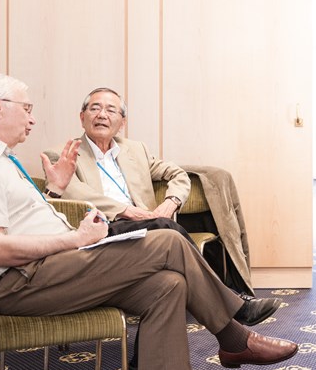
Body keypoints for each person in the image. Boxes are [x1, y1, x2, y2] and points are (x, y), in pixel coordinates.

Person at [0, 73, 299, 370]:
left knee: (167, 285)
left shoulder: (0, 160)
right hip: (20, 283)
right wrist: (76, 239)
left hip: (52, 271)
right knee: (168, 242)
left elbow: (22, 223)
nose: (31, 119)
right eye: (26, 109)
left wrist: (54, 191)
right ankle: (234, 337)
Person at [47, 87, 279, 326]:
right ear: (82, 116)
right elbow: (72, 190)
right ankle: (234, 303)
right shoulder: (61, 154)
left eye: (110, 110)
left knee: (170, 277)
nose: (102, 115)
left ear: (122, 121)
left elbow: (178, 174)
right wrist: (124, 210)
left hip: (145, 229)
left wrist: (172, 201)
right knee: (167, 229)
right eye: (94, 108)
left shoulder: (135, 150)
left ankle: (154, 354)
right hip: (103, 230)